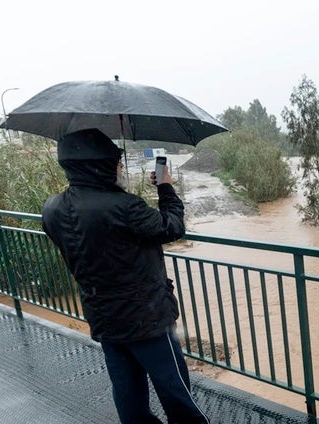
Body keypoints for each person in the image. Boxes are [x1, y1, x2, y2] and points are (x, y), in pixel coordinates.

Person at [41, 128, 209, 424]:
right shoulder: (124, 206)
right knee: (176, 393)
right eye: (117, 164)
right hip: (147, 320)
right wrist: (166, 188)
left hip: (104, 318)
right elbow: (172, 227)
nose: (121, 169)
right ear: (101, 166)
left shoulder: (52, 208)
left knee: (128, 395)